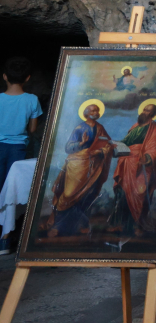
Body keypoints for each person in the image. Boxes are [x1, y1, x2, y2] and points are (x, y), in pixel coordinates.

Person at [46, 101, 115, 237]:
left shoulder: (100, 128)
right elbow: (68, 147)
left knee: (86, 195)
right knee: (68, 195)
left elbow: (108, 144)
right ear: (86, 113)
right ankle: (58, 226)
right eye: (93, 111)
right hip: (77, 165)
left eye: (97, 111)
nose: (96, 113)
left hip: (94, 167)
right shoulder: (79, 128)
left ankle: (79, 225)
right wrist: (81, 143)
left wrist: (101, 151)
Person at [0, 58, 41, 252]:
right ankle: (5, 240)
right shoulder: (32, 100)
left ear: (4, 77)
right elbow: (32, 129)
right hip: (18, 148)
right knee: (11, 191)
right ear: (27, 78)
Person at [107, 102, 156, 237]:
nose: (144, 112)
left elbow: (155, 147)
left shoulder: (155, 127)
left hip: (140, 163)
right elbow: (126, 142)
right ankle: (119, 224)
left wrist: (148, 157)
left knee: (139, 194)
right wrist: (115, 145)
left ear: (153, 114)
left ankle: (137, 225)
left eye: (148, 110)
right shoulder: (135, 126)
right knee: (122, 192)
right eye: (144, 109)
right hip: (126, 163)